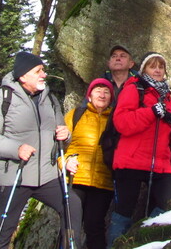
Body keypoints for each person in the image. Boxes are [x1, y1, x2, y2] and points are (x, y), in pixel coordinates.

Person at [0, 50, 82, 249]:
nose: (44, 74)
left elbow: (60, 136)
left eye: (43, 70)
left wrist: (65, 135)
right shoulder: (2, 99)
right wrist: (16, 149)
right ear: (23, 76)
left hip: (47, 175)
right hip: (13, 175)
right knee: (4, 230)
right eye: (38, 71)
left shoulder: (50, 100)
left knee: (72, 206)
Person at [107, 53, 171, 242]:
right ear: (144, 69)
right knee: (123, 213)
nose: (157, 70)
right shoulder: (134, 88)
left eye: (161, 67)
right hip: (131, 160)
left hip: (160, 162)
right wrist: (151, 112)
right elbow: (122, 123)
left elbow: (165, 132)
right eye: (152, 66)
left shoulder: (166, 95)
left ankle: (140, 238)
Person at [65, 79, 115, 249]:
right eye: (98, 90)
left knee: (95, 227)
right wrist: (64, 162)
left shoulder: (115, 119)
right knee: (70, 227)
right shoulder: (75, 115)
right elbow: (58, 147)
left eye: (106, 92)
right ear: (89, 95)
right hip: (75, 179)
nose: (102, 95)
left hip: (103, 182)